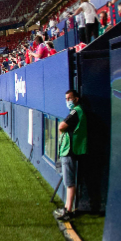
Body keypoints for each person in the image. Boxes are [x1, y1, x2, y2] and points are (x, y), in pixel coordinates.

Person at [54, 90, 87, 221]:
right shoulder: (78, 111)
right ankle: (67, 208)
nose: (68, 101)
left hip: (70, 150)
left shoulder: (76, 111)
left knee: (69, 182)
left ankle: (68, 210)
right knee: (69, 181)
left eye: (69, 98)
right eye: (66, 99)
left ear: (76, 99)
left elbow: (61, 126)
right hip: (72, 150)